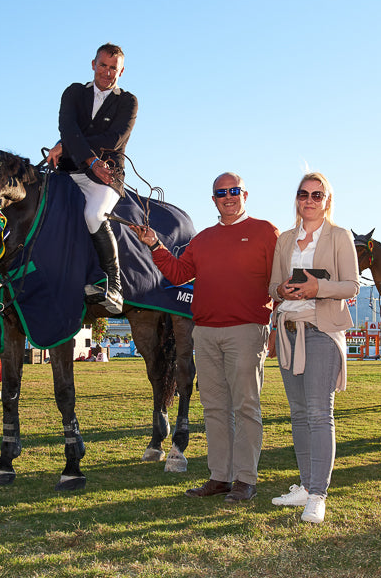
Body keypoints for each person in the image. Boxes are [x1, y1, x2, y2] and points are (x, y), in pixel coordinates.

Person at [130, 172, 278, 502]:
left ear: (245, 194)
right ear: (213, 200)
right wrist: (155, 244)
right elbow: (180, 273)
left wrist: (276, 324)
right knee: (213, 408)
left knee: (245, 407)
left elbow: (278, 280)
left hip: (246, 331)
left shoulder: (265, 232)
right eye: (220, 192)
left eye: (233, 191)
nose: (228, 196)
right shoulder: (203, 239)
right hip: (206, 333)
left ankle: (245, 479)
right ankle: (220, 477)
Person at [268, 172, 359, 524]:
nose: (309, 199)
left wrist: (316, 287)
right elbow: (274, 285)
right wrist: (285, 292)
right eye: (303, 194)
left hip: (322, 331)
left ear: (328, 201)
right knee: (300, 414)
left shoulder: (339, 237)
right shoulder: (285, 239)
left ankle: (318, 495)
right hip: (289, 331)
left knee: (321, 413)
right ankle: (305, 486)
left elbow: (351, 285)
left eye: (317, 195)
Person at [47, 43, 137, 315]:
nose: (107, 73)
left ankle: (115, 286)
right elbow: (68, 127)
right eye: (103, 65)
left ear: (121, 71)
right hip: (67, 171)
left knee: (94, 215)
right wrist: (81, 152)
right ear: (93, 64)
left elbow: (114, 139)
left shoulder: (128, 101)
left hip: (107, 176)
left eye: (113, 68)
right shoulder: (74, 92)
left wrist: (69, 144)